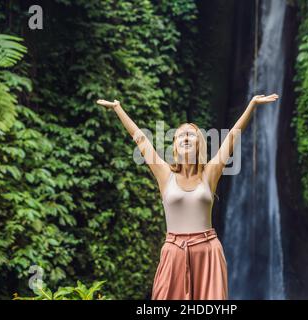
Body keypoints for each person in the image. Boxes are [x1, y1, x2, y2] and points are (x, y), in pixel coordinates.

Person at [96, 93, 279, 299]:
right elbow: (140, 139)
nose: (185, 137)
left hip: (208, 251)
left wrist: (252, 105)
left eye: (191, 134)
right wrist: (118, 108)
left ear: (199, 143)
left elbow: (233, 136)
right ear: (174, 145)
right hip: (173, 252)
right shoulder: (165, 174)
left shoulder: (209, 173)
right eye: (180, 134)